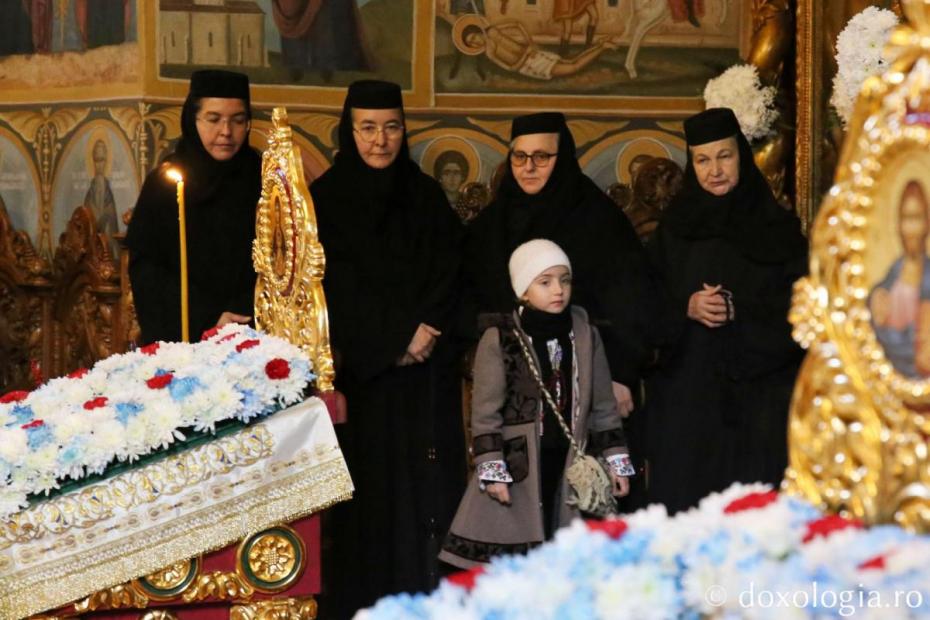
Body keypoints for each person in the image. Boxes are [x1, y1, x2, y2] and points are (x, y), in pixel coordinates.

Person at [310, 79, 466, 619]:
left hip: (424, 381)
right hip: (364, 383)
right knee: (368, 508)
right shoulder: (324, 201)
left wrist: (424, 333)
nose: (381, 141)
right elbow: (328, 290)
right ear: (349, 131)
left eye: (392, 127)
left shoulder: (425, 197)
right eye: (368, 128)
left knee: (424, 497)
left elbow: (452, 273)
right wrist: (394, 341)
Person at [462, 112, 655, 508]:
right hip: (516, 404)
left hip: (587, 387)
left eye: (541, 157)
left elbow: (632, 300)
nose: (528, 168)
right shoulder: (491, 226)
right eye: (519, 157)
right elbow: (468, 303)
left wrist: (621, 373)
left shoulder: (598, 219)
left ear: (561, 158)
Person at [645, 107, 807, 514]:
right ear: (691, 163)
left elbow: (802, 309)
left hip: (760, 402)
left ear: (741, 157)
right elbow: (645, 302)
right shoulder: (673, 230)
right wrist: (687, 305)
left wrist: (740, 312)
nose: (714, 170)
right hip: (689, 398)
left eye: (724, 156)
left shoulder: (778, 229)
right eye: (703, 159)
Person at [441, 239, 634, 568]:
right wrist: (492, 470)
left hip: (572, 462)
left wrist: (616, 461)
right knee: (517, 562)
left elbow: (603, 406)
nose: (558, 290)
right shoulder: (500, 338)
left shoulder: (586, 336)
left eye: (564, 280)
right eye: (544, 282)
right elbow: (485, 413)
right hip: (520, 470)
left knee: (570, 557)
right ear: (523, 291)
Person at [125, 70, 260, 345]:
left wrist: (244, 313)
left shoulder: (263, 179)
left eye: (237, 120)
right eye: (213, 120)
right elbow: (148, 272)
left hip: (255, 332)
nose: (226, 132)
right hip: (187, 336)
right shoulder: (166, 183)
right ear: (192, 119)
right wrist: (209, 318)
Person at [870, 181, 930, 378]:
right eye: (906, 218)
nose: (911, 229)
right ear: (898, 224)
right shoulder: (883, 289)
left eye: (917, 218)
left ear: (927, 223)